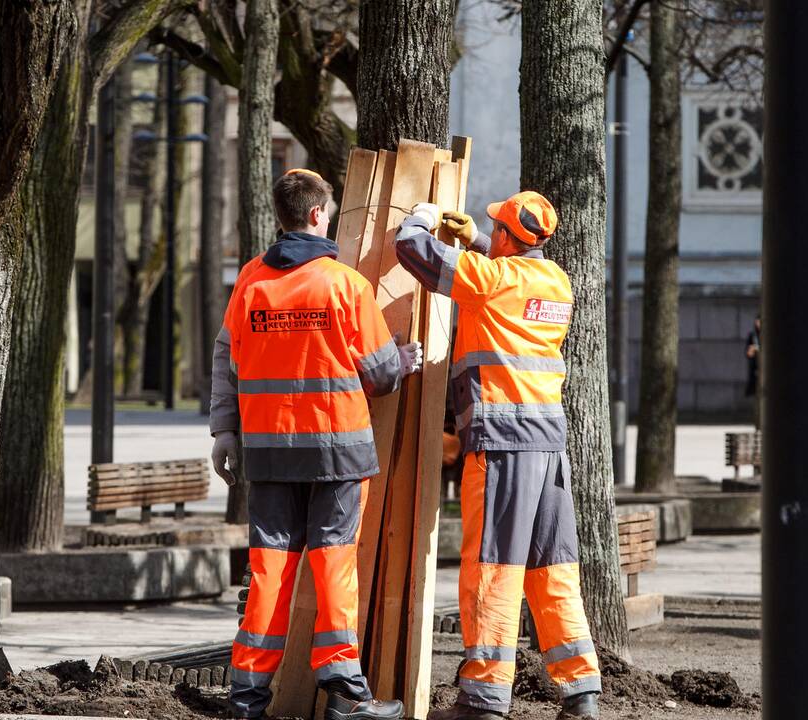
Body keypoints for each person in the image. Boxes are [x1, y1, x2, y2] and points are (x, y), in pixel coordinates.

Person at [209, 168, 422, 720]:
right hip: (334, 450)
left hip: (269, 450)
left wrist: (224, 430)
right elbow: (378, 377)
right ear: (316, 215)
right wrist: (403, 360)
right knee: (332, 566)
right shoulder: (345, 285)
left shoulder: (251, 281)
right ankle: (346, 695)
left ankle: (247, 696)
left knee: (269, 570)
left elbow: (226, 360)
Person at [394, 192, 601, 720]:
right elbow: (510, 278)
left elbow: (415, 253)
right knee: (551, 569)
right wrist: (479, 242)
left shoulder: (492, 281)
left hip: (502, 444)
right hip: (549, 446)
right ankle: (581, 692)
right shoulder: (556, 281)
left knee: (493, 567)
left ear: (511, 237)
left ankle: (483, 700)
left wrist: (420, 216)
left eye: (496, 230)